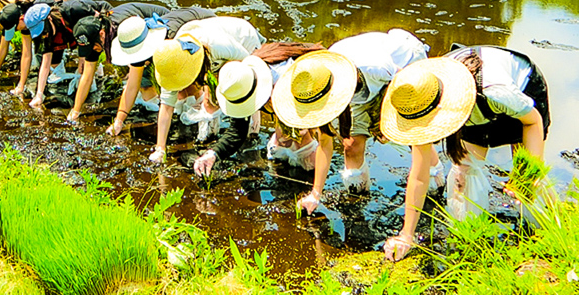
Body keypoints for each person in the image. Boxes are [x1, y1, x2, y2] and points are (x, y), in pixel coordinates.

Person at [379, 45, 550, 262]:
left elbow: (532, 122)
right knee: (463, 175)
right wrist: (407, 234)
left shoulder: (497, 92)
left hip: (521, 97)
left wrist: (525, 175)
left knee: (526, 185)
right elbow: (419, 176)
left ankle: (543, 233)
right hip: (473, 104)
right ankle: (468, 238)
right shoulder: (418, 101)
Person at [272, 30, 433, 217]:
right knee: (350, 145)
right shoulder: (321, 82)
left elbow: (403, 82)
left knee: (413, 136)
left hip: (404, 68)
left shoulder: (375, 67)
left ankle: (432, 184)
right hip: (359, 86)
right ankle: (358, 200)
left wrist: (383, 120)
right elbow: (325, 141)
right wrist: (316, 194)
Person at [192, 41, 325, 177]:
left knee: (309, 162)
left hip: (307, 92)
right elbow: (237, 133)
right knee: (279, 149)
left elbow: (318, 119)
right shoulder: (241, 84)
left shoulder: (286, 83)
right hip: (281, 100)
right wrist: (212, 154)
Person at [150, 16, 266, 163]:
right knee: (211, 98)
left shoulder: (218, 45)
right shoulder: (171, 60)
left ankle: (250, 137)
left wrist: (253, 110)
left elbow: (251, 67)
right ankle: (216, 131)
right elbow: (166, 107)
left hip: (243, 40)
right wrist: (160, 148)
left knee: (242, 102)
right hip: (212, 54)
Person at [106, 7, 217, 136]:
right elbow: (132, 86)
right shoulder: (136, 43)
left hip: (204, 25)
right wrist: (119, 121)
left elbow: (197, 71)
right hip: (182, 21)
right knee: (174, 92)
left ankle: (203, 116)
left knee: (186, 85)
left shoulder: (171, 42)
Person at [66, 2, 169, 123]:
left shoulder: (123, 31)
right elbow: (87, 76)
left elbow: (138, 64)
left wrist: (119, 120)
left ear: (102, 34)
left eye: (93, 47)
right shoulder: (94, 39)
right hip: (136, 32)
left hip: (160, 25)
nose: (93, 50)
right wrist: (75, 110)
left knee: (145, 85)